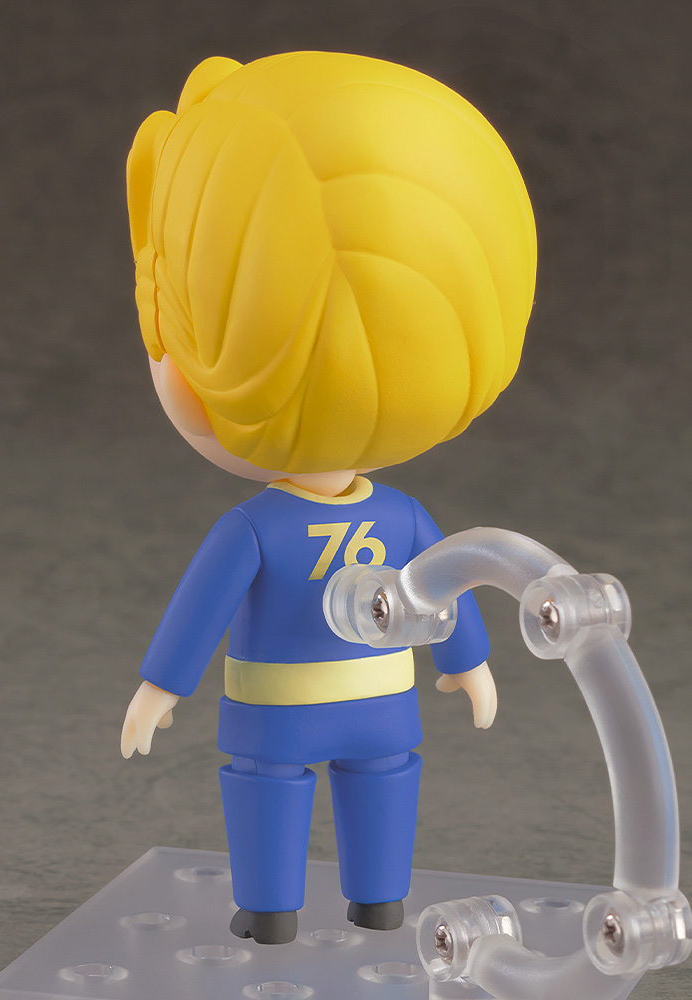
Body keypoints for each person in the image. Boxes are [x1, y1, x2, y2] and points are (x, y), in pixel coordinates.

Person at [120, 50, 537, 945]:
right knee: (372, 783)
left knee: (279, 791)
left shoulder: (255, 527)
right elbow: (449, 584)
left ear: (188, 371)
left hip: (280, 712)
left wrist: (161, 688)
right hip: (375, 704)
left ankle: (284, 911)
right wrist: (468, 663)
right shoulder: (395, 517)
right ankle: (360, 905)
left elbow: (200, 612)